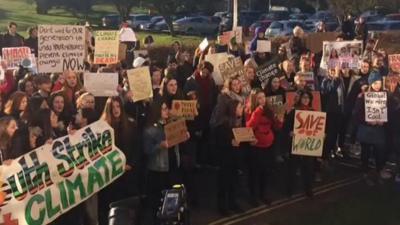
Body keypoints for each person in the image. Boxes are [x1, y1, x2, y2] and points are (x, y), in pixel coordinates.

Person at [143, 99, 189, 223]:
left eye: (167, 108)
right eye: (163, 109)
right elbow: (147, 150)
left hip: (173, 167)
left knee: (172, 199)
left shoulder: (172, 123)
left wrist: (183, 137)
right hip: (158, 170)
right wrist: (160, 145)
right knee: (158, 201)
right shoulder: (150, 129)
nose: (166, 111)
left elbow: (176, 142)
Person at [99, 96, 138, 225]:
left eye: (117, 106)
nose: (116, 110)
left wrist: (130, 164)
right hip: (109, 176)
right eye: (112, 107)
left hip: (126, 172)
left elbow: (136, 147)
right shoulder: (102, 128)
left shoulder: (131, 124)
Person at [353, 70, 391, 185]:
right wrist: (367, 121)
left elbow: (387, 112)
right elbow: (356, 114)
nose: (377, 85)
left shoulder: (384, 95)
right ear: (370, 83)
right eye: (375, 83)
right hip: (366, 129)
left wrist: (383, 121)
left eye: (379, 83)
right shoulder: (362, 96)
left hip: (379, 130)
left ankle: (378, 172)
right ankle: (365, 173)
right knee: (366, 152)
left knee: (379, 153)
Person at [246, 89, 283, 205]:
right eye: (259, 98)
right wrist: (257, 111)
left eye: (263, 97)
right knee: (254, 173)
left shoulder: (269, 110)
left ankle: (263, 194)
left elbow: (276, 127)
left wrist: (280, 121)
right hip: (256, 146)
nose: (263, 100)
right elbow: (249, 126)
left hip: (268, 145)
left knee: (265, 172)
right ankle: (253, 197)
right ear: (254, 100)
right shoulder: (250, 110)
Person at [283, 90, 316, 197]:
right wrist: (289, 132)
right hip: (296, 143)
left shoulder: (314, 112)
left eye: (308, 98)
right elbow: (286, 126)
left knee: (309, 167)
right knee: (292, 167)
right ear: (300, 99)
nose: (306, 100)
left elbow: (317, 128)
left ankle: (308, 189)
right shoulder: (293, 111)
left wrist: (321, 135)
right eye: (304, 97)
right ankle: (290, 190)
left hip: (308, 145)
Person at [215, 100, 244, 215]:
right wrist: (230, 142)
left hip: (235, 157)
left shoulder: (239, 121)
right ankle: (222, 206)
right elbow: (218, 140)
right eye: (240, 107)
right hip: (225, 158)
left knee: (234, 181)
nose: (242, 110)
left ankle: (233, 203)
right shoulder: (223, 124)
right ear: (233, 109)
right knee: (224, 182)